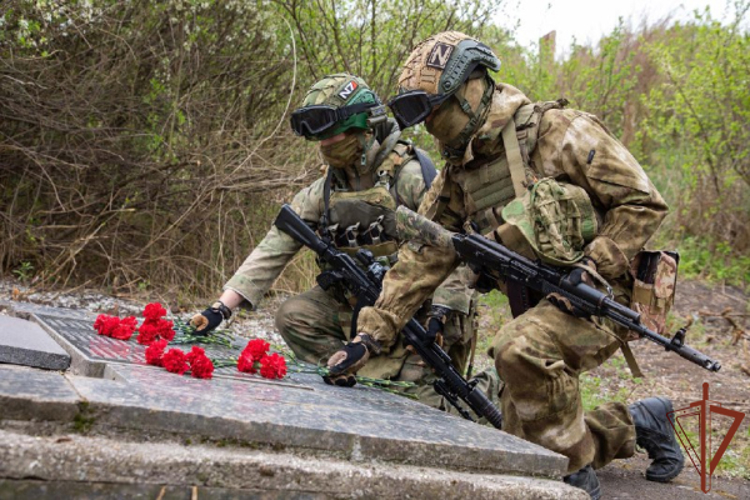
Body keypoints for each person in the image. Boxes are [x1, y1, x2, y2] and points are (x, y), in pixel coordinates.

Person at [325, 32, 684, 499]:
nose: (431, 124)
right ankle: (639, 422)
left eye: (436, 108)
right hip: (541, 303)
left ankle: (575, 484)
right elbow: (425, 254)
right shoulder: (461, 171)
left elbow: (643, 202)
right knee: (521, 445)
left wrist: (595, 266)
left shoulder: (559, 132)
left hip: (602, 295)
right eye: (422, 114)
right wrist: (369, 335)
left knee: (516, 349)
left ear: (472, 88)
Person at [191, 73, 491, 408]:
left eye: (334, 137)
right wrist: (221, 308)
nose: (325, 146)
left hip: (419, 311)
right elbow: (277, 243)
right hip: (361, 308)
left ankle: (454, 386)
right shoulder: (328, 188)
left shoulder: (409, 176)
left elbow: (452, 250)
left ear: (366, 126)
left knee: (418, 405)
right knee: (293, 315)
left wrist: (439, 313)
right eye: (320, 140)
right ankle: (345, 363)